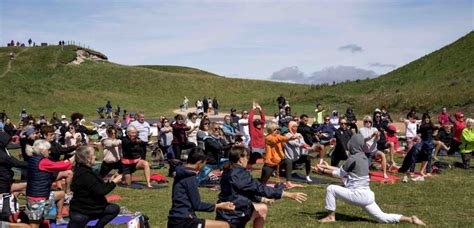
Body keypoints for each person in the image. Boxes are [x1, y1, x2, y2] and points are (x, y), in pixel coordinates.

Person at [315, 134, 426, 225]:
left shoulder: (353, 158)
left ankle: (330, 217)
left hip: (357, 195)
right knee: (382, 218)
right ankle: (410, 219)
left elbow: (339, 173)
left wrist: (322, 171)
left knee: (331, 188)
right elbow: (345, 171)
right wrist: (327, 167)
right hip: (367, 195)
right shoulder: (363, 157)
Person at [216, 146, 307, 228]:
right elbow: (258, 188)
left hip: (230, 208)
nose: (248, 159)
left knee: (262, 209)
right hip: (234, 213)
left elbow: (244, 191)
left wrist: (263, 200)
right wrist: (286, 194)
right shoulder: (239, 174)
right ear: (240, 159)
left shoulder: (230, 170)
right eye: (247, 157)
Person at [168, 152, 235, 228]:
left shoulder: (181, 171)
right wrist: (219, 206)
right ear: (199, 163)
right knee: (225, 226)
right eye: (204, 164)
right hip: (183, 220)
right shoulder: (189, 177)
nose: (204, 167)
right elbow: (197, 205)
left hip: (174, 218)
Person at [69, 146, 121, 228]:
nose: (95, 156)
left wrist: (110, 181)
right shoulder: (85, 174)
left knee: (114, 209)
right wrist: (114, 182)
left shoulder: (83, 170)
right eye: (93, 155)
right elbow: (101, 191)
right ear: (88, 159)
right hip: (83, 211)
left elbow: (95, 186)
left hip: (92, 207)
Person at [26, 140, 73, 227]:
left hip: (40, 194)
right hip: (37, 198)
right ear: (42, 151)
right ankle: (6, 225)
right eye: (48, 149)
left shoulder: (33, 158)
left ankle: (59, 218)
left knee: (61, 194)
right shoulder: (43, 161)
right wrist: (75, 157)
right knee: (33, 226)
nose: (49, 151)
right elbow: (62, 166)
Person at [247, 102, 265, 168]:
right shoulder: (252, 129)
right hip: (255, 147)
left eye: (260, 123)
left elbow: (263, 120)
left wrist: (260, 109)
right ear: (255, 124)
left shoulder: (261, 128)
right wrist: (253, 109)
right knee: (253, 159)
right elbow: (250, 120)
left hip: (262, 147)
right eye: (258, 124)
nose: (259, 125)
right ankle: (248, 167)